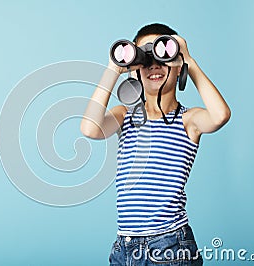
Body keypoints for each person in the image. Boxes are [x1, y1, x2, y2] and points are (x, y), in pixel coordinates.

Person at [80, 23, 231, 265]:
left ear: (176, 64)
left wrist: (188, 60)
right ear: (134, 69)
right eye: (144, 58)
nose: (153, 65)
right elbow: (89, 128)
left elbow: (220, 115)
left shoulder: (188, 120)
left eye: (162, 56)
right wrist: (113, 68)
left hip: (170, 243)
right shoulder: (125, 116)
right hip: (125, 245)